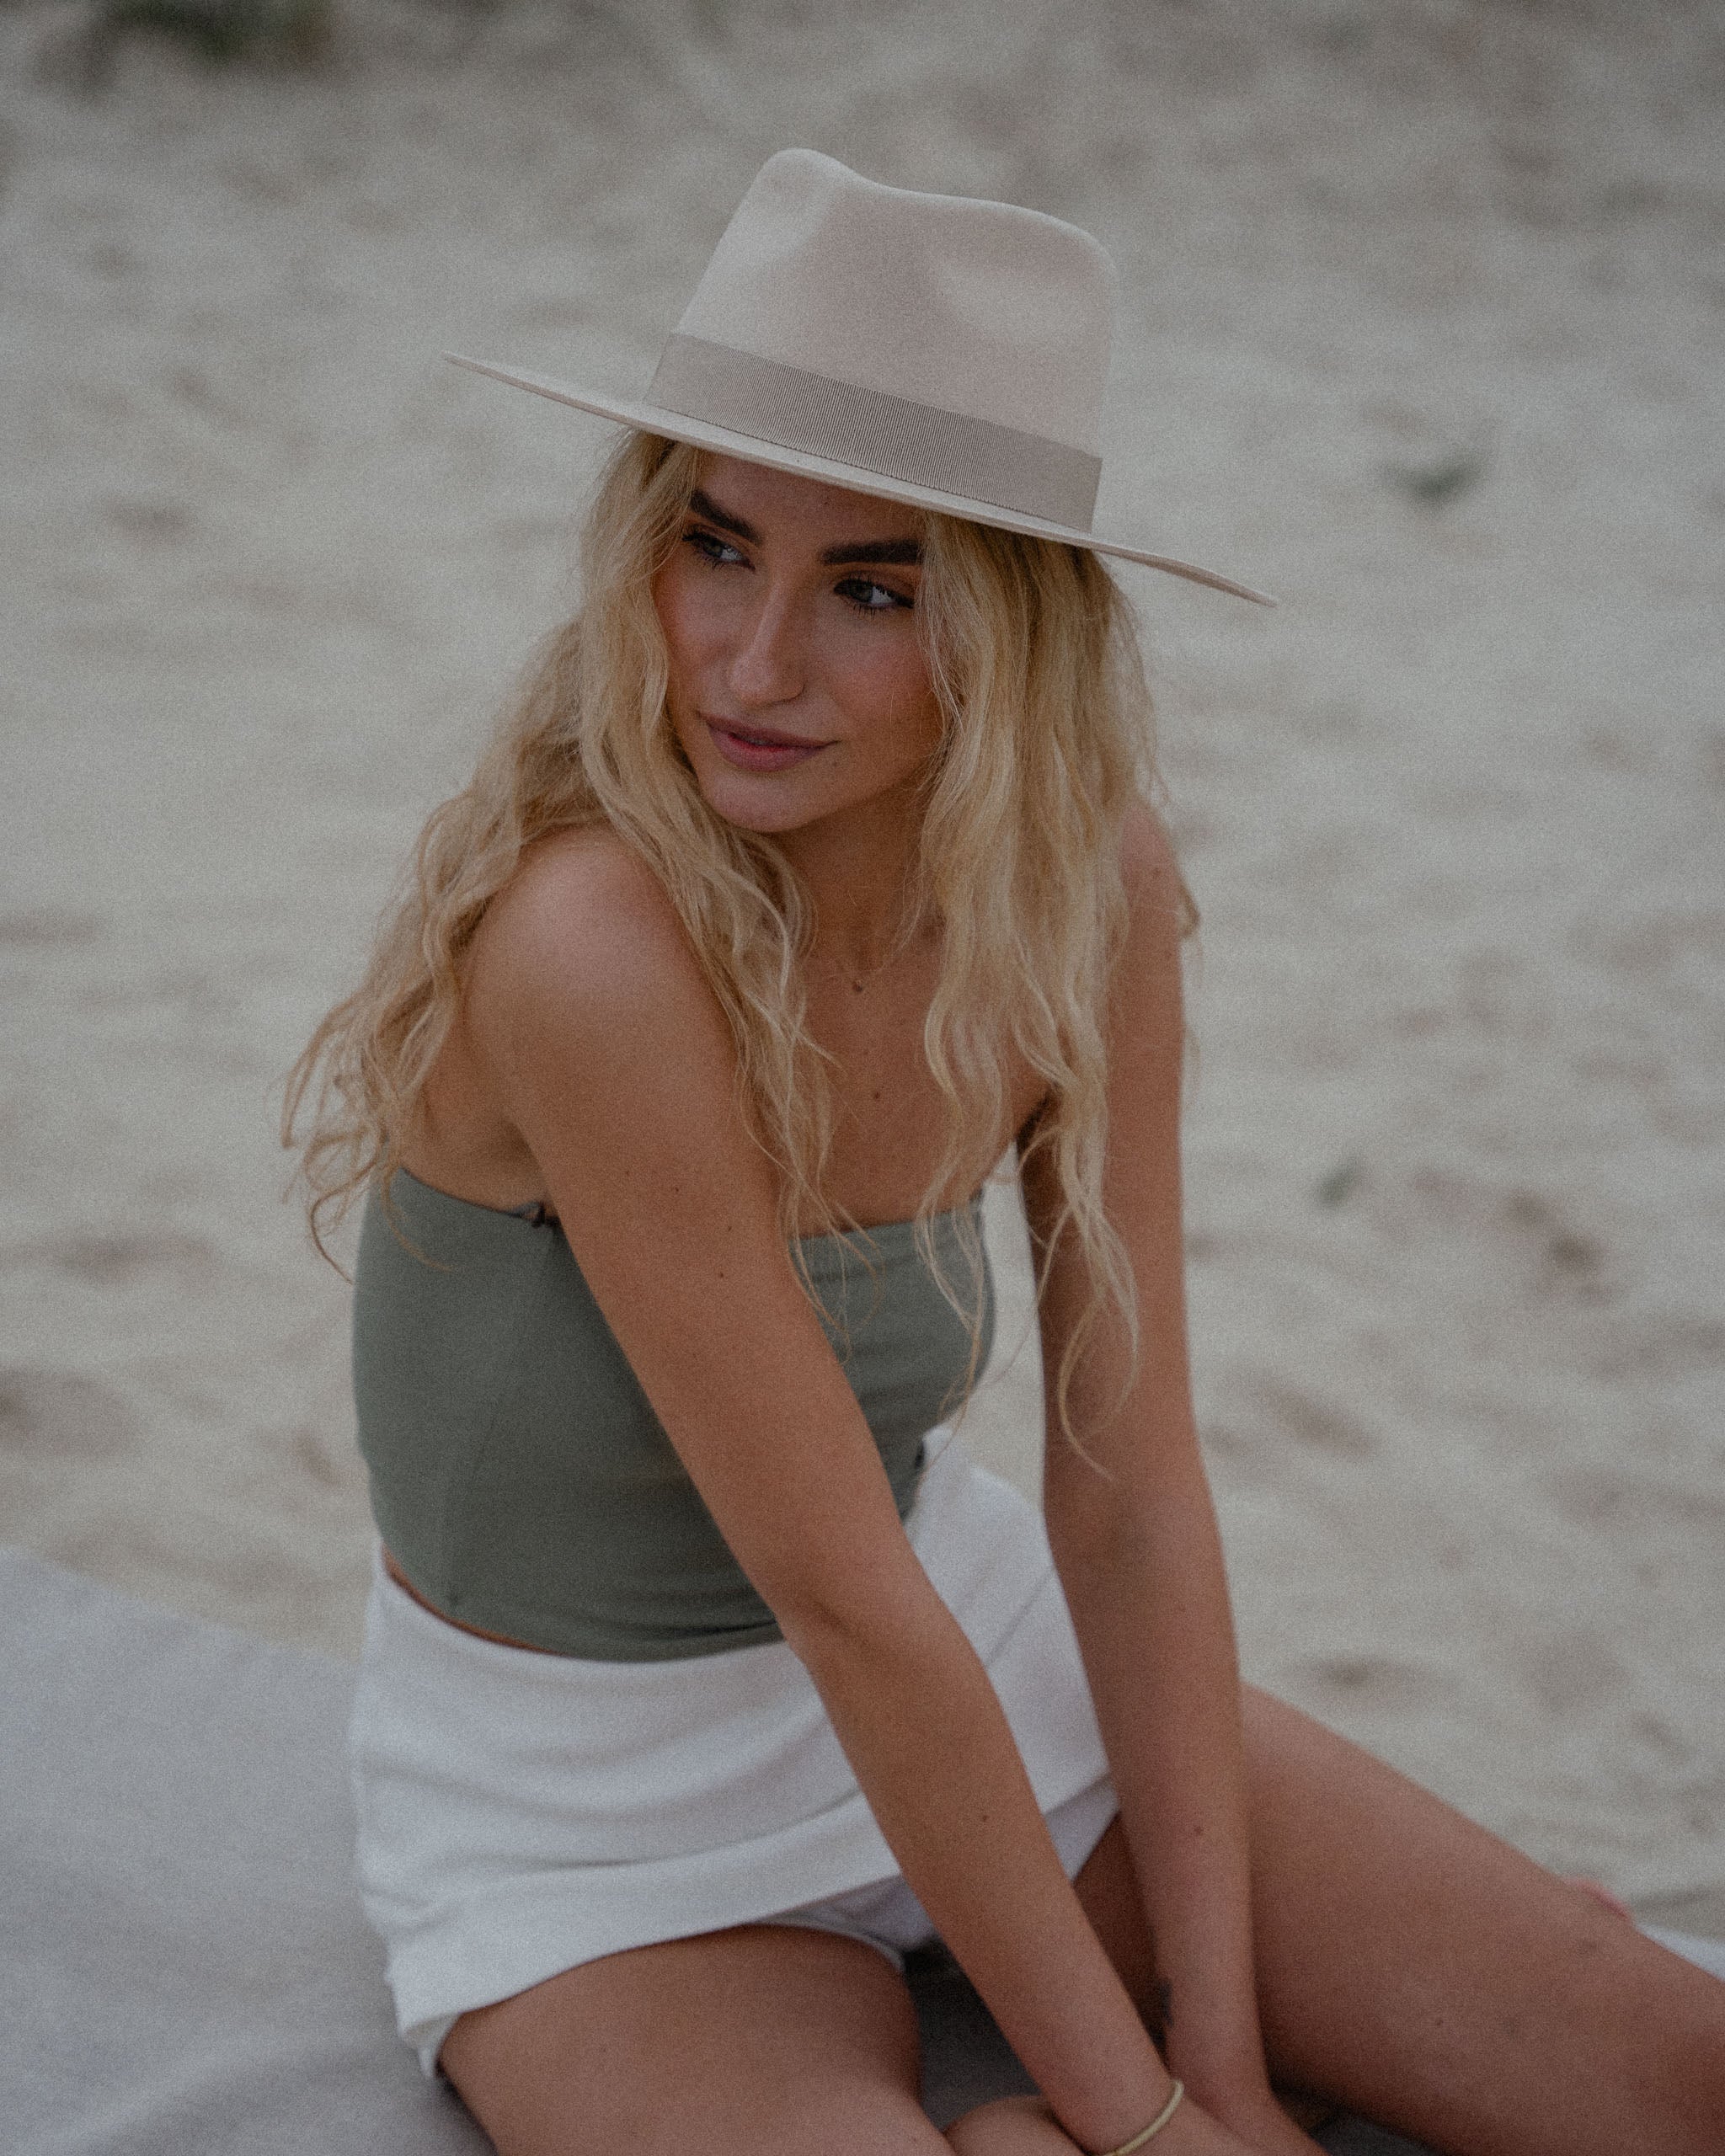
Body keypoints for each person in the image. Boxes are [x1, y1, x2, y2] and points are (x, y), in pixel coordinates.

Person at [285, 151, 1724, 2156]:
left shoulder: (1081, 890)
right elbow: (835, 1593)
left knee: (1670, 2072)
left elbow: (1126, 1493)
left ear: (1012, 623)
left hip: (983, 1662)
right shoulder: (589, 948)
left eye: (874, 588)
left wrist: (1224, 2057)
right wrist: (1136, 2121)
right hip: (598, 1815)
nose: (754, 662)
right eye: (715, 546)